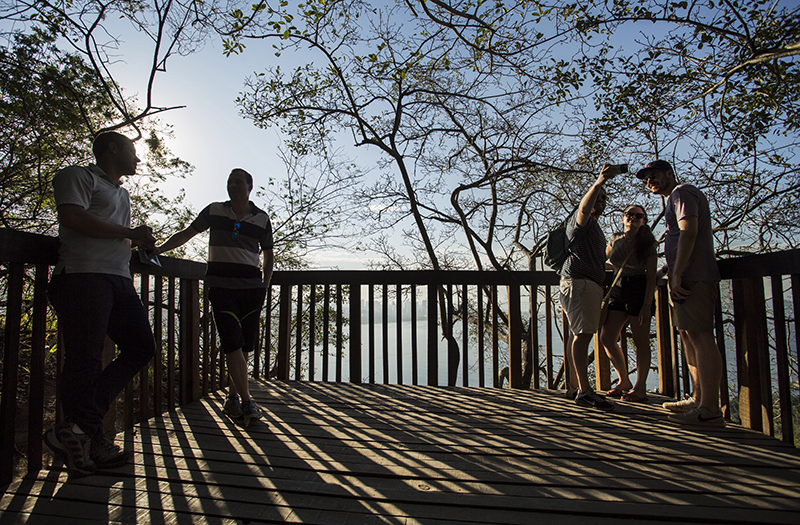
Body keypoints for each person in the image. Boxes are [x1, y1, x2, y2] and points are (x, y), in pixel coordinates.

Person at [44, 131, 157, 477]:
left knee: (142, 347)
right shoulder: (78, 176)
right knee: (85, 358)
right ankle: (90, 441)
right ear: (112, 148)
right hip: (83, 276)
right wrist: (131, 234)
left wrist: (137, 242)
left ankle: (78, 429)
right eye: (133, 150)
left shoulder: (121, 193)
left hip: (119, 279)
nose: (138, 158)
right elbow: (73, 218)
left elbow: (110, 231)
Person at [155, 168, 273, 427]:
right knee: (232, 342)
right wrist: (160, 249)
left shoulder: (261, 219)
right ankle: (247, 401)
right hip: (221, 288)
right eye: (229, 181)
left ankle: (232, 398)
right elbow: (187, 233)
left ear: (250, 186)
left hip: (251, 290)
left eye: (238, 182)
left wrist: (264, 286)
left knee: (243, 347)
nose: (232, 185)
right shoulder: (214, 211)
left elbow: (268, 255)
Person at [636, 160, 724, 427]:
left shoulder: (681, 192)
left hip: (693, 276)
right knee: (688, 335)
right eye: (646, 178)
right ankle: (697, 398)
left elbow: (689, 231)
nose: (650, 180)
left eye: (654, 175)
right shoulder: (674, 198)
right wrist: (670, 269)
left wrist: (677, 274)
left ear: (669, 173)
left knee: (700, 336)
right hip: (685, 275)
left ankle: (710, 409)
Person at [560, 164, 618, 411]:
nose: (601, 200)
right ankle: (584, 391)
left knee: (577, 334)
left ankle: (575, 386)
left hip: (585, 283)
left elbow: (595, 259)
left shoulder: (594, 227)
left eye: (604, 198)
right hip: (580, 284)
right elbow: (585, 207)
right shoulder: (580, 220)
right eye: (597, 197)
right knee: (582, 335)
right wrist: (599, 182)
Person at [599, 205, 657, 402]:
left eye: (638, 215)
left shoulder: (647, 243)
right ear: (623, 218)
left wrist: (647, 305)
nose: (633, 218)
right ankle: (624, 380)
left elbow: (651, 276)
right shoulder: (615, 239)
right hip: (617, 288)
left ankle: (640, 388)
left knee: (641, 342)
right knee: (607, 337)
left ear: (644, 221)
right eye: (629, 214)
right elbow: (604, 260)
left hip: (638, 289)